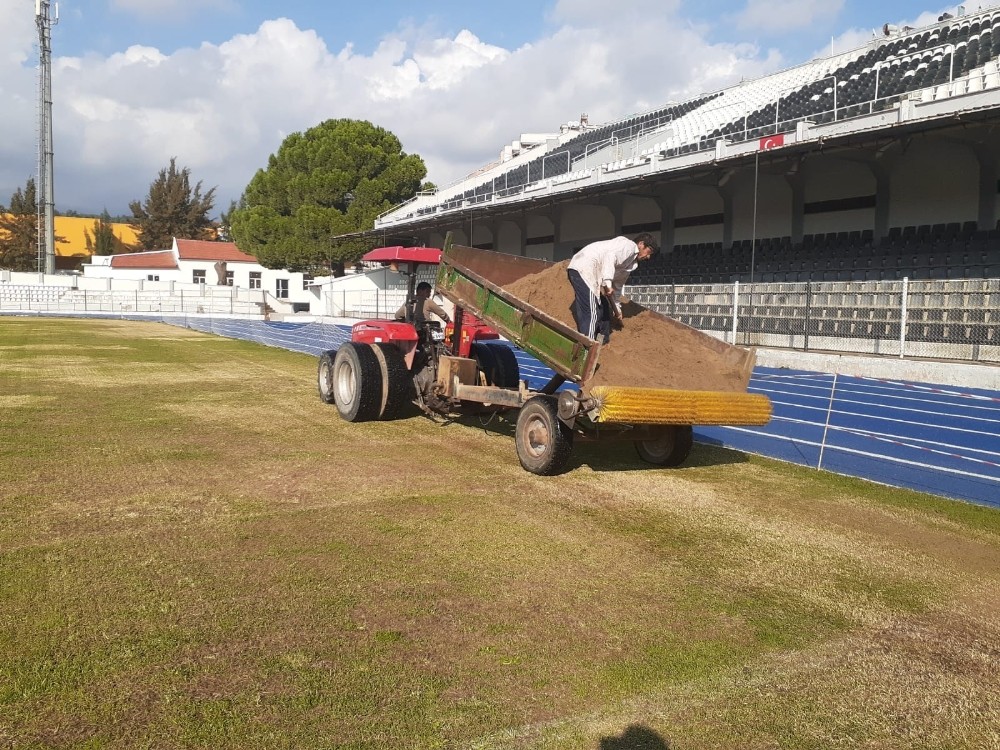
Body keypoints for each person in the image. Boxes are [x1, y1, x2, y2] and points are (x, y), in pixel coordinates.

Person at [567, 232, 658, 342]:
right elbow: (610, 257)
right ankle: (586, 348)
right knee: (592, 312)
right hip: (585, 266)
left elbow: (618, 286)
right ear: (641, 244)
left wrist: (617, 309)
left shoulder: (631, 264)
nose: (648, 256)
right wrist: (608, 282)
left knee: (605, 306)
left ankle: (603, 341)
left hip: (592, 273)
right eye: (649, 251)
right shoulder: (628, 246)